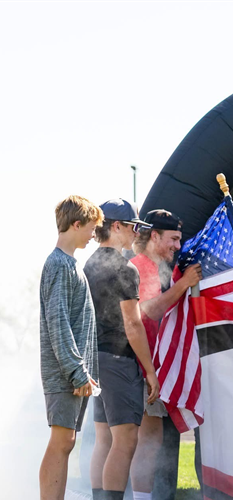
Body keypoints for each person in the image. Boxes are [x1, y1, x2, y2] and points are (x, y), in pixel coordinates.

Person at [84, 199, 160, 500]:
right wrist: (150, 371)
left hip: (95, 361)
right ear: (116, 226)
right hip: (118, 361)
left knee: (104, 440)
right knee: (126, 440)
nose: (136, 234)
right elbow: (133, 323)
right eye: (132, 227)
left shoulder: (89, 264)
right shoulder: (124, 268)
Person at [129, 210, 202, 500]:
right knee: (147, 440)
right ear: (154, 236)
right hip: (139, 366)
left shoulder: (151, 266)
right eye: (173, 239)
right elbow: (149, 310)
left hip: (141, 364)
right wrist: (184, 284)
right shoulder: (144, 266)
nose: (177, 246)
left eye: (179, 240)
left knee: (146, 439)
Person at [39, 196, 104, 500]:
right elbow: (58, 323)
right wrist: (77, 372)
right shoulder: (58, 264)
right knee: (61, 441)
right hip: (65, 374)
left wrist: (83, 373)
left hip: (75, 374)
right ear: (76, 224)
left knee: (67, 442)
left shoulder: (71, 265)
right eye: (91, 227)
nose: (93, 234)